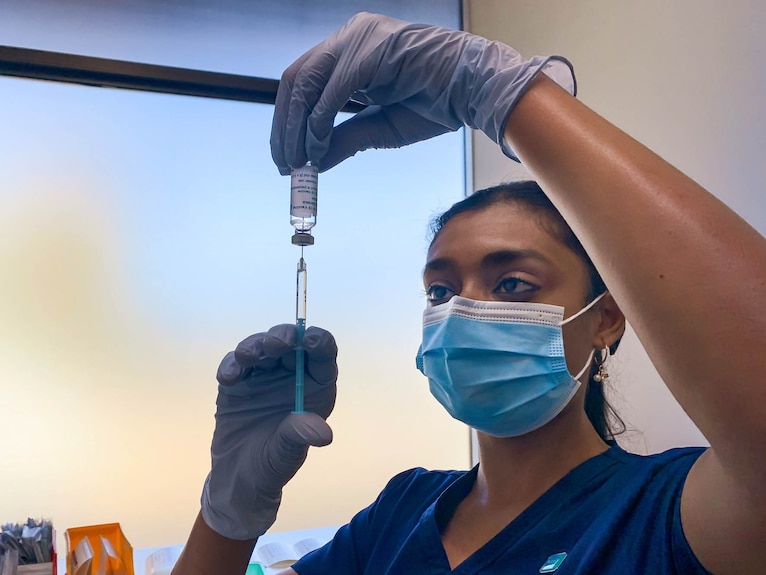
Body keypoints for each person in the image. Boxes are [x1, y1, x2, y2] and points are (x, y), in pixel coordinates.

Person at [172, 12, 766, 575]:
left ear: (607, 318)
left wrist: (507, 97)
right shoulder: (402, 511)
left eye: (511, 284)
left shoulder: (659, 514)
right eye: (439, 291)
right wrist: (229, 512)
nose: (461, 311)